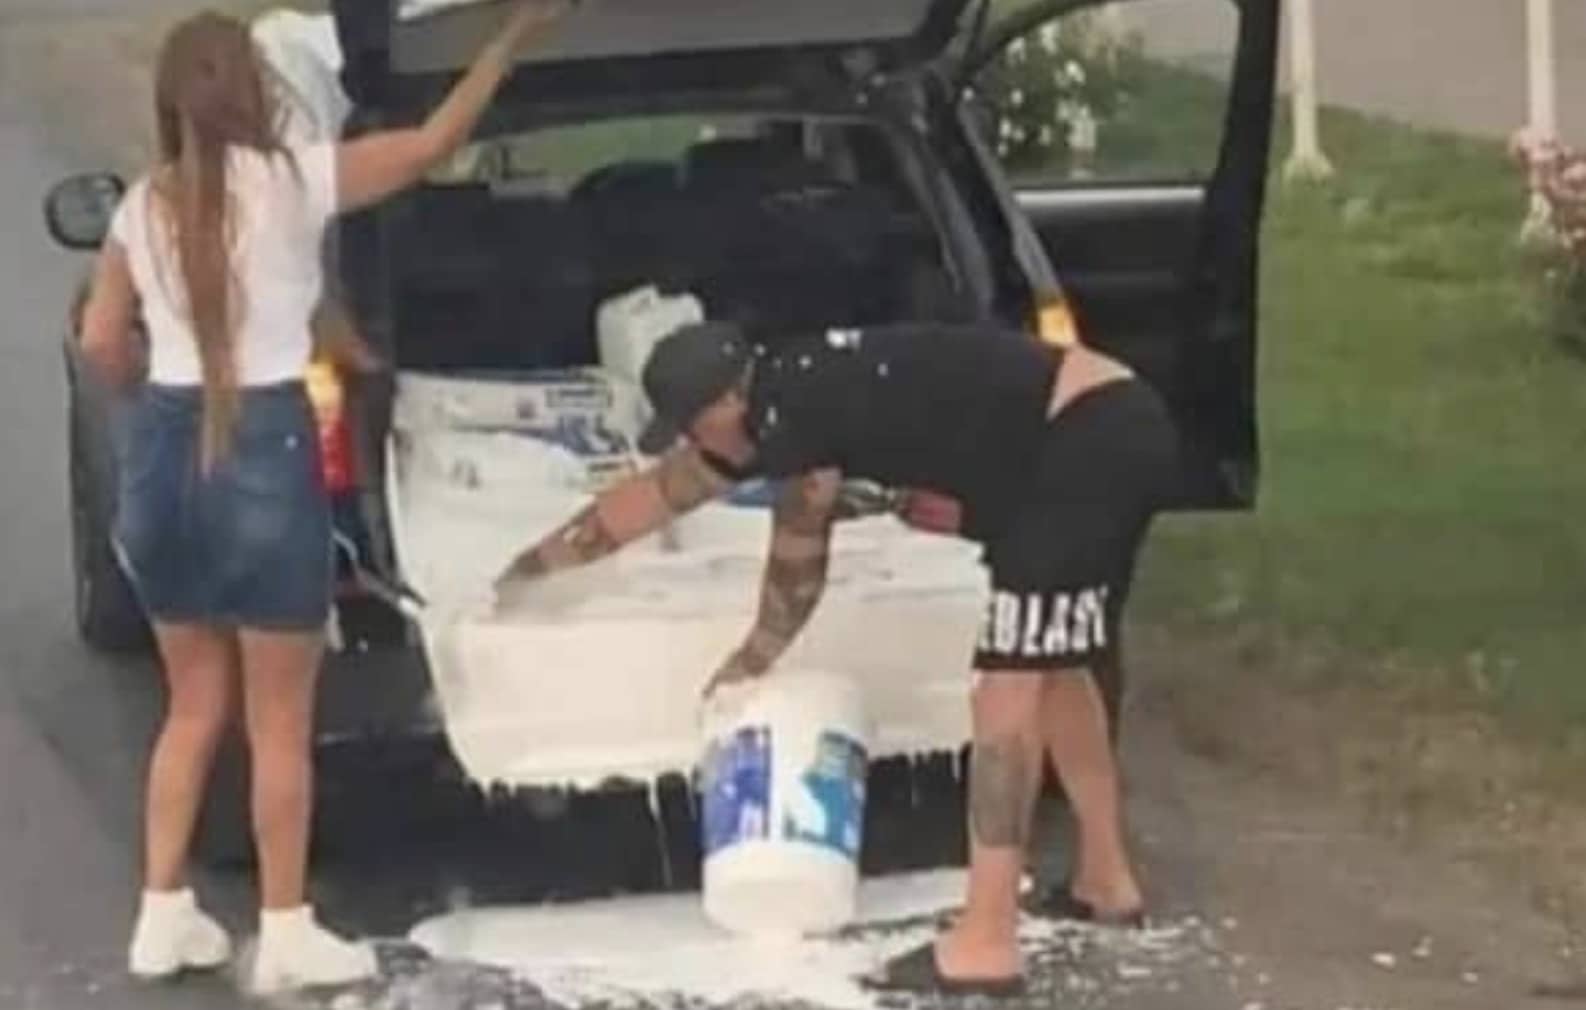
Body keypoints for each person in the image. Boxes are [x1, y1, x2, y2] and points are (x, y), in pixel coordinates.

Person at [77, 0, 571, 993]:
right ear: (255, 93)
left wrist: (144, 376)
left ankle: (160, 914)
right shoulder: (299, 180)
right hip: (263, 446)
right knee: (276, 721)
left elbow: (99, 343)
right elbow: (432, 143)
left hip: (166, 454)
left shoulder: (140, 207)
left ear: (170, 103)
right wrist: (508, 42)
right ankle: (286, 925)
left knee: (191, 707)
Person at [493, 318, 1179, 995]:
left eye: (692, 426)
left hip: (1086, 442)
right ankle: (1105, 879)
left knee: (1002, 694)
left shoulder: (795, 415)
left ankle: (986, 944)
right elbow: (656, 496)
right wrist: (525, 576)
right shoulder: (776, 394)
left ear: (727, 404)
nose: (691, 443)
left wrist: (750, 661)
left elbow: (798, 571)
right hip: (1094, 433)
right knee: (1053, 667)